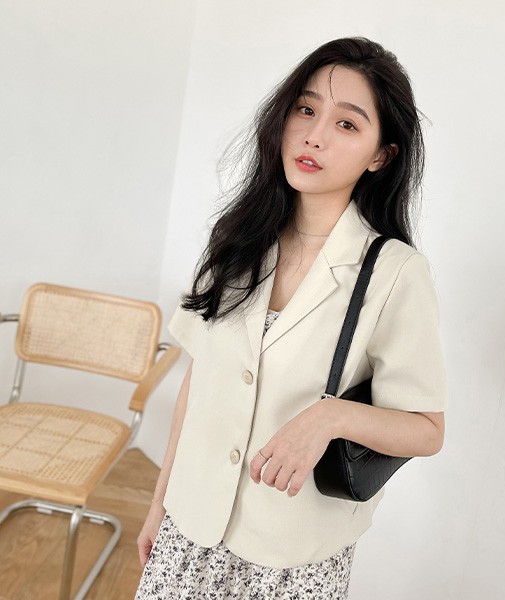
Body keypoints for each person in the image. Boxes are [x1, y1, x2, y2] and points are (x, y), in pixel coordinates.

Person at [134, 36, 448, 599]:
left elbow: (426, 429)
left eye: (346, 124)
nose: (314, 135)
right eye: (305, 109)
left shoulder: (395, 272)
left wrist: (329, 417)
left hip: (292, 558)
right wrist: (160, 502)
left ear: (381, 155)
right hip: (189, 528)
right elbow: (198, 384)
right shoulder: (237, 239)